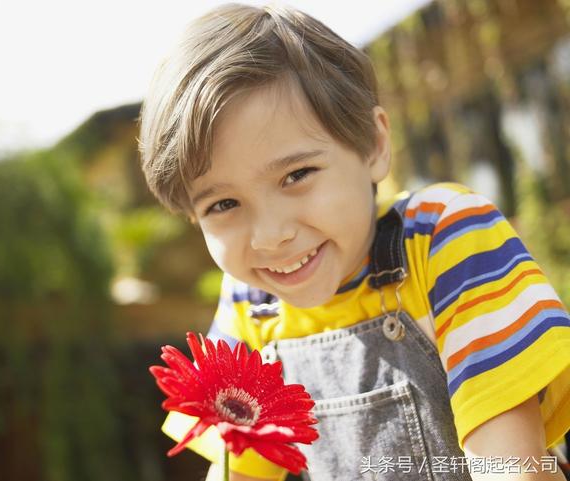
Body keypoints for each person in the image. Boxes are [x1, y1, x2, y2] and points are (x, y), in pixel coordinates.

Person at [139, 4, 570, 480]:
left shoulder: (443, 237)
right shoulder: (248, 303)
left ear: (373, 145)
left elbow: (512, 467)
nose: (271, 235)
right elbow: (239, 472)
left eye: (296, 175)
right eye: (222, 205)